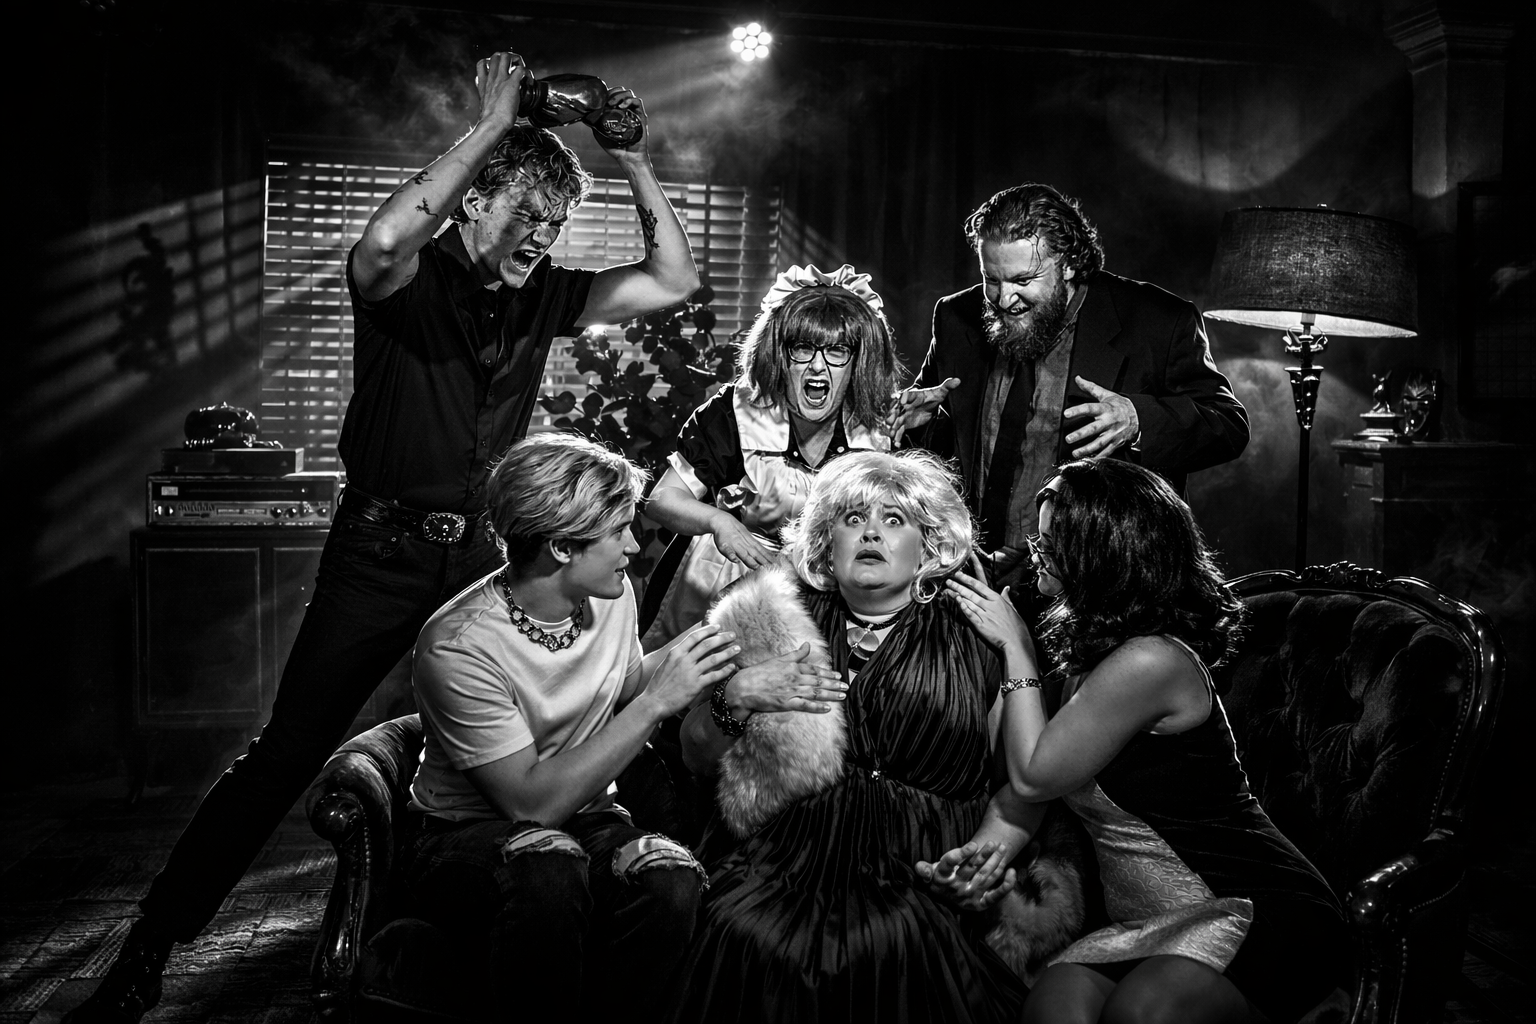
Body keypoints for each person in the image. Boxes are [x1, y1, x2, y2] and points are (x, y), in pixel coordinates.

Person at [66, 48, 700, 1023]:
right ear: (476, 202)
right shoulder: (408, 277)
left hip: (484, 561)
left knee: (514, 753)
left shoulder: (546, 297)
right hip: (379, 555)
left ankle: (476, 943)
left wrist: (633, 158)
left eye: (557, 221)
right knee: (283, 754)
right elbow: (378, 238)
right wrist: (490, 126)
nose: (542, 234)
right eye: (525, 212)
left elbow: (671, 277)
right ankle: (150, 948)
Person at [403, 433, 833, 1021]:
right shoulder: (459, 647)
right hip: (469, 838)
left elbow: (623, 684)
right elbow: (532, 805)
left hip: (589, 820)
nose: (634, 544)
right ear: (560, 547)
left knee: (672, 878)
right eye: (617, 532)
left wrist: (725, 631)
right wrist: (657, 705)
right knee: (548, 867)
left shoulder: (608, 592)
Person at [939, 458, 1347, 1023]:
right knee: (1052, 1011)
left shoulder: (1153, 659)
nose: (1035, 548)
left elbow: (1036, 772)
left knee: (1142, 1012)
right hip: (1143, 924)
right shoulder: (1087, 658)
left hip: (1254, 909)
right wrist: (983, 859)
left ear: (1103, 552)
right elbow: (1009, 761)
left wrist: (1015, 649)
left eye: (1053, 539)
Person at [667, 450, 1028, 1024]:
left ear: (929, 546)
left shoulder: (978, 633)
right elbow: (693, 754)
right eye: (853, 519)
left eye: (894, 520)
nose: (871, 534)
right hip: (782, 855)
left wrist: (982, 860)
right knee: (744, 929)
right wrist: (734, 698)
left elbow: (1022, 785)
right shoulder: (772, 617)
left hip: (918, 866)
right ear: (826, 545)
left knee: (887, 943)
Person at [896, 183, 1250, 590]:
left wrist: (1138, 419)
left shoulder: (1157, 322)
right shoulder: (956, 318)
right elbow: (938, 443)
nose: (1003, 298)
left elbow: (1229, 425)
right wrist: (915, 424)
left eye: (1023, 279)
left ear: (1067, 263)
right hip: (969, 577)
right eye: (991, 279)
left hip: (1099, 587)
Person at [639, 263, 902, 650]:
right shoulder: (736, 412)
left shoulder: (881, 427)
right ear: (778, 353)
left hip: (827, 594)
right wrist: (718, 523)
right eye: (802, 347)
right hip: (721, 582)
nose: (817, 365)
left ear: (861, 361)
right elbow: (661, 500)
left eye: (837, 350)